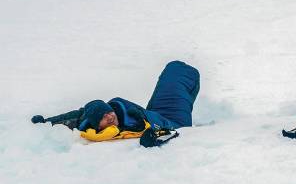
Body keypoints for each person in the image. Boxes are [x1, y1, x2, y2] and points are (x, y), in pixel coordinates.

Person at [31, 60, 200, 144]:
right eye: (104, 118)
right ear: (96, 124)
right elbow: (74, 117)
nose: (110, 116)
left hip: (172, 121)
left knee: (178, 71)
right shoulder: (88, 122)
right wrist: (46, 122)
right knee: (179, 75)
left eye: (108, 112)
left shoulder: (133, 119)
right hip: (170, 117)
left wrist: (153, 136)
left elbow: (168, 131)